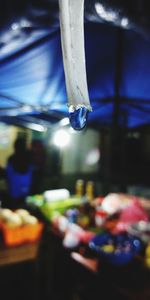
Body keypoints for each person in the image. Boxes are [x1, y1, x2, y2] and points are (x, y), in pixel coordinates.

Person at [6, 137, 33, 208]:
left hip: (14, 191)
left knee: (15, 210)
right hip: (26, 189)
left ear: (15, 147)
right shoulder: (29, 158)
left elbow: (8, 175)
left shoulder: (11, 159)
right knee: (25, 208)